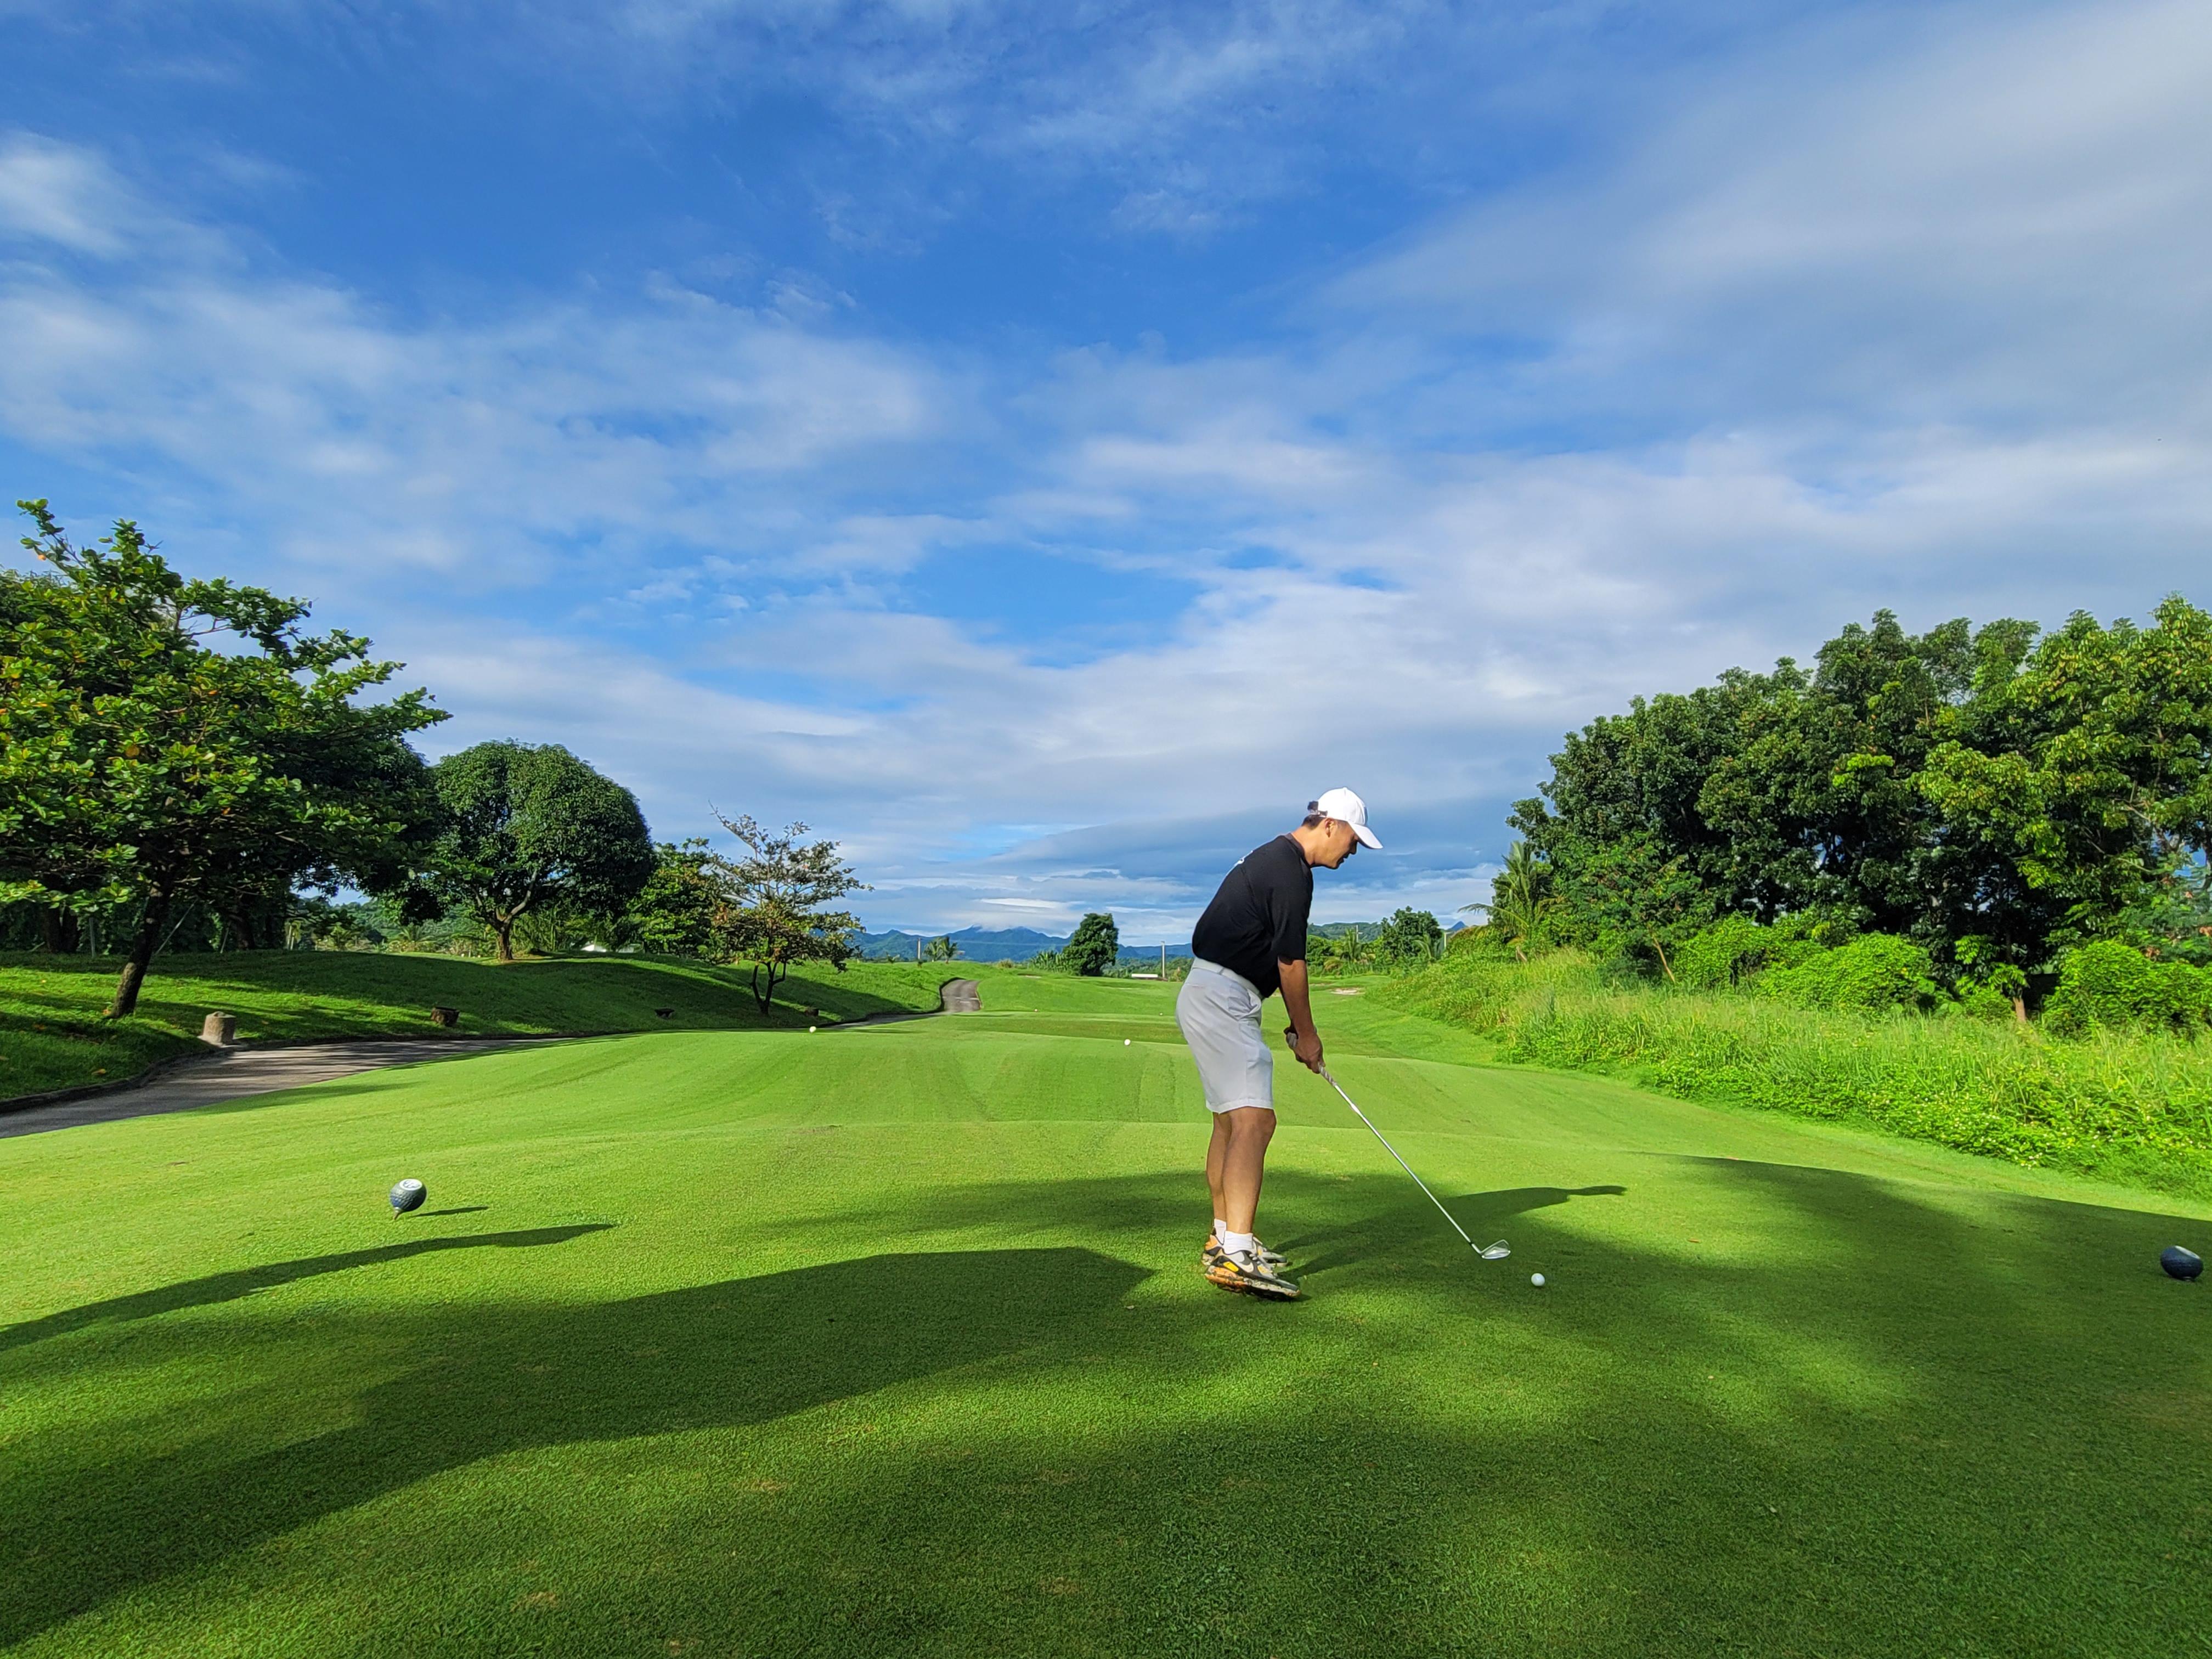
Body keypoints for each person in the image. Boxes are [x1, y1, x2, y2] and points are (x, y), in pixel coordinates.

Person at [1177, 787, 1379, 1300]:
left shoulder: (1277, 859)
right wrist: (1307, 1035)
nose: (1353, 851)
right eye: (1353, 840)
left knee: (1231, 1123)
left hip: (1216, 992)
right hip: (1222, 998)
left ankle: (1224, 1238)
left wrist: (1292, 1023)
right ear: (1330, 825)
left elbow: (1272, 954)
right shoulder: (1291, 870)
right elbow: (1291, 962)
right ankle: (1236, 1253)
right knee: (1256, 1122)